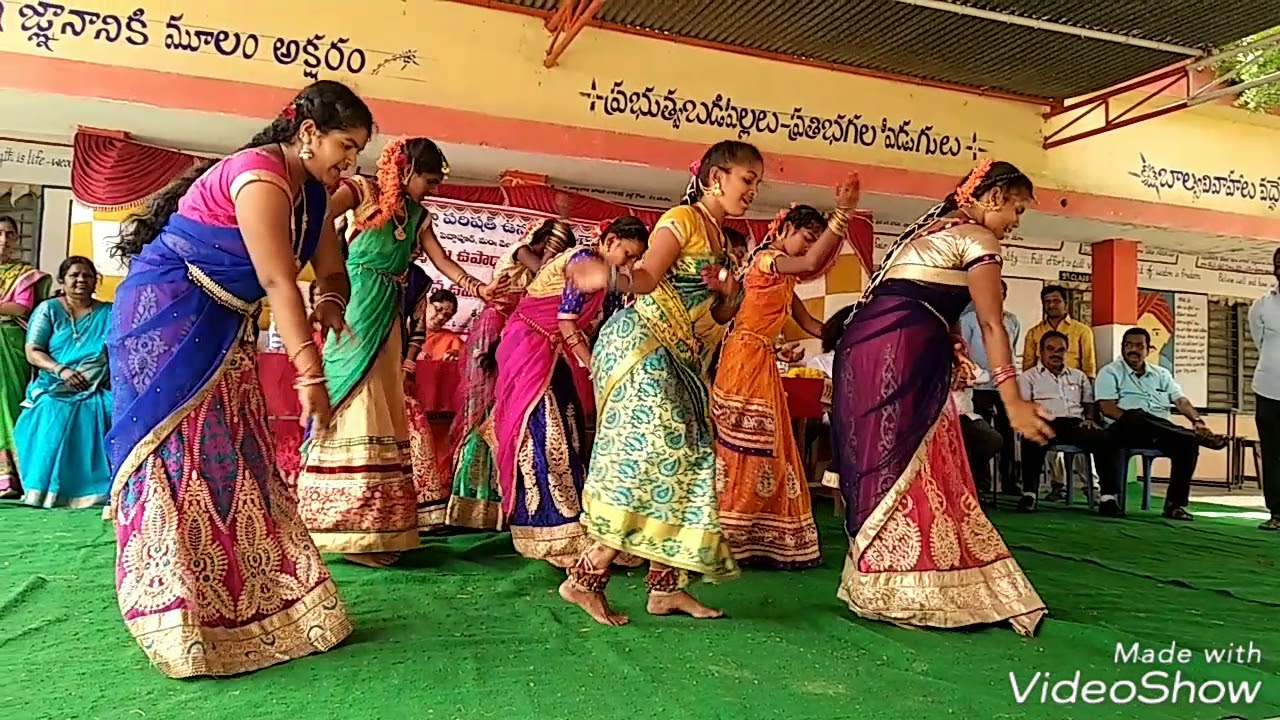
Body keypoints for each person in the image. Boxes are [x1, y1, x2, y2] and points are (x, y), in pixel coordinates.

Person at [105, 80, 369, 677]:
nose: (350, 162)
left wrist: (330, 299)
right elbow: (278, 282)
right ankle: (173, 608)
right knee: (178, 453)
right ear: (307, 133)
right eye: (344, 145)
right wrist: (309, 373)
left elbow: (329, 267)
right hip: (166, 317)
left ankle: (258, 597)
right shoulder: (257, 176)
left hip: (226, 325)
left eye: (356, 151)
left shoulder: (312, 194)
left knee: (234, 451)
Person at [831, 159, 1052, 636]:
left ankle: (881, 582)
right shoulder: (979, 239)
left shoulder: (932, 229)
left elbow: (924, 296)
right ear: (992, 198)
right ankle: (912, 583)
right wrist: (1012, 400)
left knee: (888, 458)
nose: (1015, 223)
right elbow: (992, 324)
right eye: (1016, 209)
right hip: (899, 349)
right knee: (908, 456)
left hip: (865, 350)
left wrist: (949, 340)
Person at [559, 140, 762, 626]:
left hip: (683, 358)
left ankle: (665, 588)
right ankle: (585, 577)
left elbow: (721, 314)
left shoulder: (720, 237)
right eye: (747, 179)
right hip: (641, 346)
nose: (753, 191)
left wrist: (730, 293)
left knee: (691, 457)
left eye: (756, 182)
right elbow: (647, 276)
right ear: (716, 177)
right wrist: (606, 279)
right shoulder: (683, 220)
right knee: (659, 452)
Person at [296, 137, 499, 566]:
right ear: (405, 170)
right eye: (428, 179)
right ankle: (341, 525)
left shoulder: (420, 216)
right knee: (354, 396)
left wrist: (480, 288)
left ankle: (376, 528)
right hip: (355, 301)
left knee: (384, 402)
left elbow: (443, 262)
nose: (432, 188)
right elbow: (317, 217)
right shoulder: (362, 191)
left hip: (389, 312)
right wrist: (323, 274)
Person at [711, 190, 859, 571]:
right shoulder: (767, 260)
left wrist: (853, 329)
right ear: (787, 228)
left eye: (815, 238)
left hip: (760, 357)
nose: (808, 248)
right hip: (743, 359)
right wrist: (841, 216)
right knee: (745, 442)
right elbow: (810, 261)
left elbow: (811, 325)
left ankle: (761, 536)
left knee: (770, 445)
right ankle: (728, 535)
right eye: (806, 236)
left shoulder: (782, 278)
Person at [493, 217, 648, 566]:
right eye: (625, 253)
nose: (627, 262)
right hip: (528, 347)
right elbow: (565, 320)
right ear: (607, 241)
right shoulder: (580, 260)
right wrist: (591, 363)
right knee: (541, 432)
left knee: (570, 431)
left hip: (552, 352)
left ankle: (576, 527)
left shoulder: (600, 269)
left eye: (635, 258)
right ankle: (548, 530)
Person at [447, 219, 574, 530]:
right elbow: (545, 273)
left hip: (520, 337)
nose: (556, 257)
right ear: (541, 243)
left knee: (509, 415)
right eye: (554, 249)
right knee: (483, 413)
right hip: (495, 332)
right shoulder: (520, 252)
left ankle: (502, 503)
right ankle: (471, 502)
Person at [1095, 327, 1227, 522]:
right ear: (1122, 348)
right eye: (1128, 345)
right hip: (1124, 428)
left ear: (1149, 349)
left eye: (1139, 346)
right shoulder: (1110, 372)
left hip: (1160, 432)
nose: (1133, 349)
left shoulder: (1162, 374)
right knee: (1137, 416)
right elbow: (1107, 409)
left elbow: (1180, 401)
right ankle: (1190, 435)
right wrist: (1136, 420)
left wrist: (1197, 421)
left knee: (1186, 443)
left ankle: (1175, 505)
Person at [12, 256, 111, 508]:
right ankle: (43, 490)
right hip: (53, 385)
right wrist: (61, 370)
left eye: (87, 275)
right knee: (50, 410)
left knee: (109, 408)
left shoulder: (108, 312)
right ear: (62, 281)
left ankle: (95, 490)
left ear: (95, 281)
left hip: (95, 386)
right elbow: (33, 350)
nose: (81, 280)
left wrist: (93, 379)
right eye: (74, 275)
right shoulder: (48, 310)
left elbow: (117, 352)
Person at [1016, 330, 1121, 515]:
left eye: (1061, 350)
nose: (1056, 353)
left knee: (1105, 438)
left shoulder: (1078, 376)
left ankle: (1108, 498)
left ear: (1067, 352)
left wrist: (1089, 419)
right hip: (1045, 422)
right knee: (1031, 437)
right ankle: (1029, 494)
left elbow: (1088, 402)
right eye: (1050, 349)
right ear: (1041, 351)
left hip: (1074, 424)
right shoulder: (1028, 377)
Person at [0, 216, 50, 499]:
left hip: (10, 345)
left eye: (10, 235)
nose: (4, 240)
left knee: (7, 404)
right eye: (0, 234)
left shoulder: (26, 275)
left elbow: (21, 308)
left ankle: (11, 478)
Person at [959, 281, 1020, 492]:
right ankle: (982, 485)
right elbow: (963, 353)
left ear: (1005, 294)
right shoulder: (968, 320)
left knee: (1008, 435)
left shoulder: (1012, 321)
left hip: (1003, 387)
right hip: (978, 387)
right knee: (983, 436)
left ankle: (1010, 482)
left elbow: (1011, 350)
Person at [1249, 248, 1280, 531]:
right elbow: (1260, 343)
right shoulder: (1261, 306)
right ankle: (1276, 513)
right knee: (1272, 453)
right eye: (1278, 264)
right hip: (1268, 390)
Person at [1022, 284, 1095, 377]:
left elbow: (1089, 367)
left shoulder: (1082, 331)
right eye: (1047, 301)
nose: (1051, 305)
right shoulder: (1033, 332)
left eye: (1056, 301)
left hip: (1072, 384)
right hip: (1041, 385)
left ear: (1065, 303)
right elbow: (1028, 367)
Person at [953, 367, 1003, 498]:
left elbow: (986, 376)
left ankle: (973, 481)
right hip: (940, 420)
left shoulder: (965, 365)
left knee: (993, 440)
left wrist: (968, 379)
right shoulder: (932, 361)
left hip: (966, 417)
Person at [419, 289, 464, 360]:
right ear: (426, 305)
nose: (441, 317)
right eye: (438, 309)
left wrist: (456, 355)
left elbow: (464, 357)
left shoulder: (451, 339)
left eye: (447, 315)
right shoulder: (404, 330)